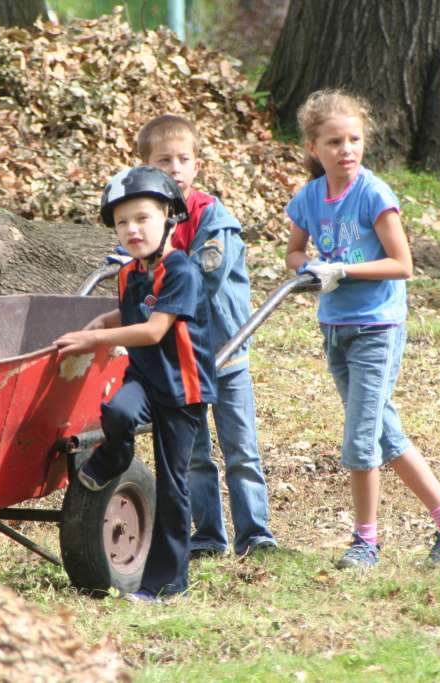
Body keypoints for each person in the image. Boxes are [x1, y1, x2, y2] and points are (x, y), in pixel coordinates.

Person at [284, 89, 440, 568]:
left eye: (354, 139)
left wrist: (343, 270)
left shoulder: (373, 194)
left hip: (377, 328)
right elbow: (293, 252)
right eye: (334, 142)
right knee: (384, 435)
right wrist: (308, 268)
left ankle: (365, 542)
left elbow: (402, 264)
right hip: (335, 329)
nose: (346, 150)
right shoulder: (309, 198)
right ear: (313, 147)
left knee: (360, 440)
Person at [54, 166, 217, 601]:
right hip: (145, 378)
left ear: (169, 218)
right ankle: (114, 458)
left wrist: (95, 340)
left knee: (172, 485)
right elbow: (131, 312)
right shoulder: (129, 273)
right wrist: (101, 322)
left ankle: (167, 583)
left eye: (142, 218)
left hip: (182, 390)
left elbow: (153, 330)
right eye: (122, 222)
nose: (132, 229)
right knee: (117, 412)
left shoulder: (181, 270)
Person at [137, 114, 277, 558]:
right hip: (182, 360)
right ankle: (208, 534)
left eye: (183, 159)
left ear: (197, 165)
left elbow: (206, 275)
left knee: (241, 448)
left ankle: (255, 533)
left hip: (224, 349)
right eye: (164, 161)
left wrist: (159, 276)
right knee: (195, 454)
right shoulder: (146, 221)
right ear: (146, 168)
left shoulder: (214, 218)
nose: (175, 168)